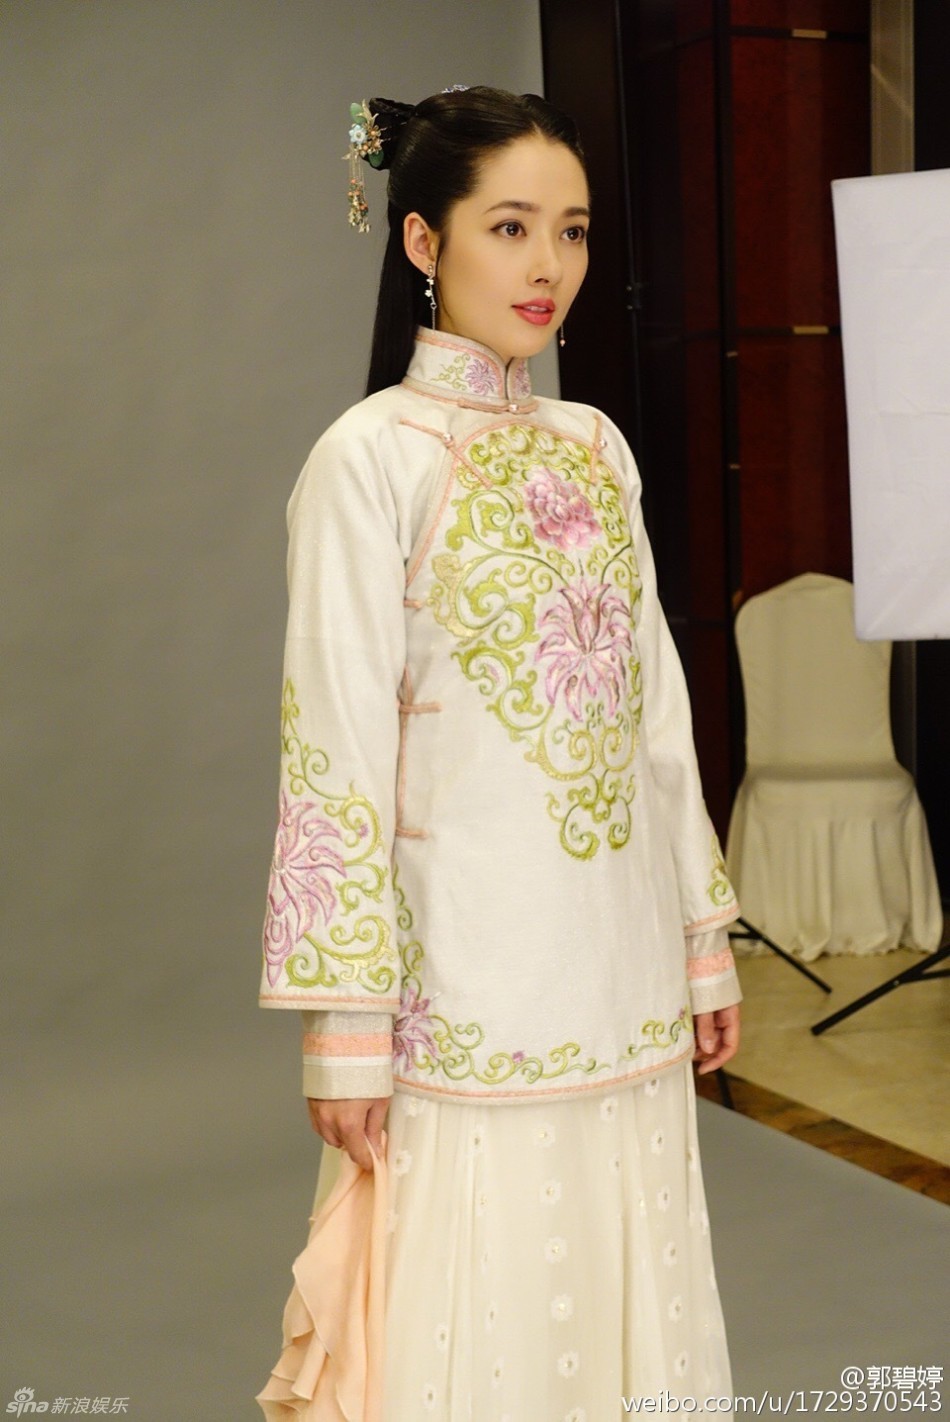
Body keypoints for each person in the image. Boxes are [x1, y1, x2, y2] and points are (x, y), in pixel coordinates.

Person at [260, 85, 742, 1420]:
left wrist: (702, 933)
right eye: (511, 226)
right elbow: (332, 741)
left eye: (572, 231)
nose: (549, 266)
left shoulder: (594, 445)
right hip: (463, 973)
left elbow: (653, 711)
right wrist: (346, 1024)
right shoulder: (368, 459)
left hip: (619, 960)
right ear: (423, 240)